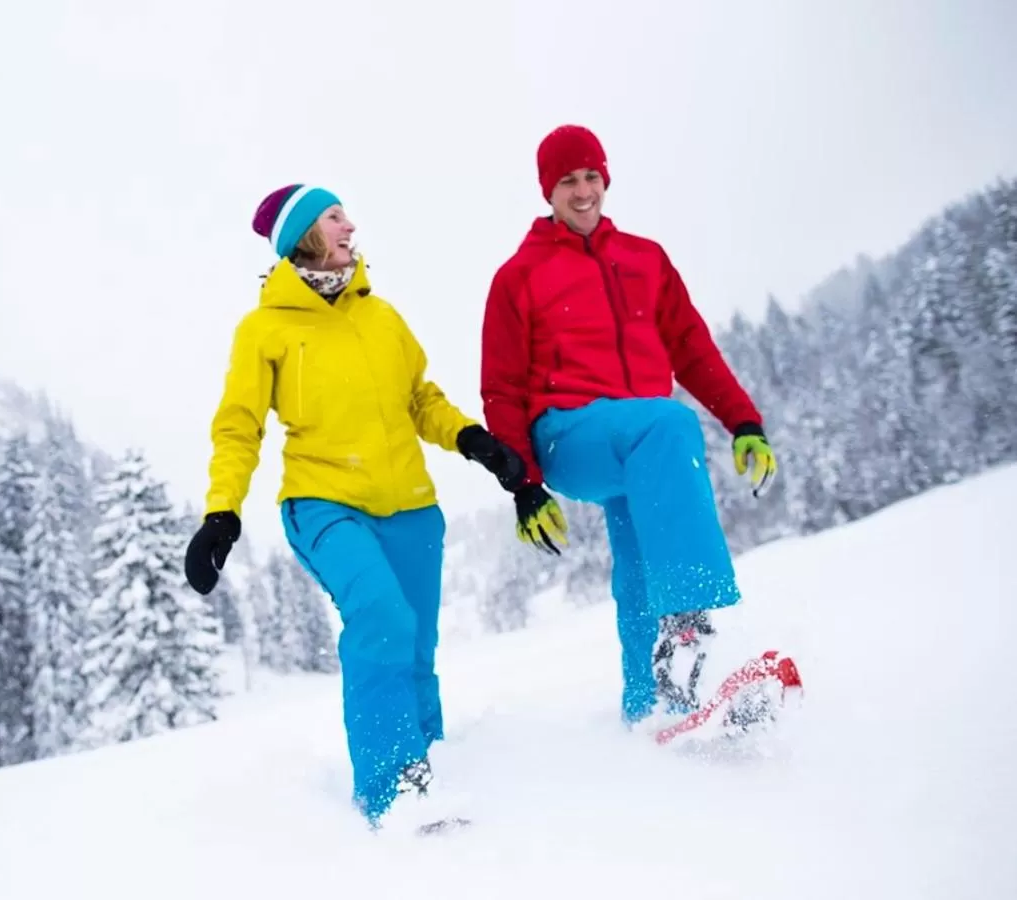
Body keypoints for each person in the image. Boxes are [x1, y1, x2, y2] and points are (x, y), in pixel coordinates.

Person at [184, 184, 525, 829]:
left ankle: (431, 773)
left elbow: (420, 398)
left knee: (416, 646)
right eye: (334, 216)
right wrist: (220, 513)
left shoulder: (383, 317)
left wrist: (474, 441)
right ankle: (392, 788)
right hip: (324, 502)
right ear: (303, 234)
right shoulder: (267, 330)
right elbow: (238, 426)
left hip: (412, 508)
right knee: (380, 618)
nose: (350, 225)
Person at [478, 125, 781, 729]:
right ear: (548, 191)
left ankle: (654, 704)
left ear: (606, 178)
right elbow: (502, 390)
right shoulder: (520, 276)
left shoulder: (644, 258)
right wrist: (525, 486)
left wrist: (744, 420)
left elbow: (691, 346)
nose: (583, 190)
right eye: (568, 181)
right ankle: (695, 635)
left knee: (644, 554)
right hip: (568, 436)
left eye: (592, 176)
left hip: (640, 444)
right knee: (668, 422)